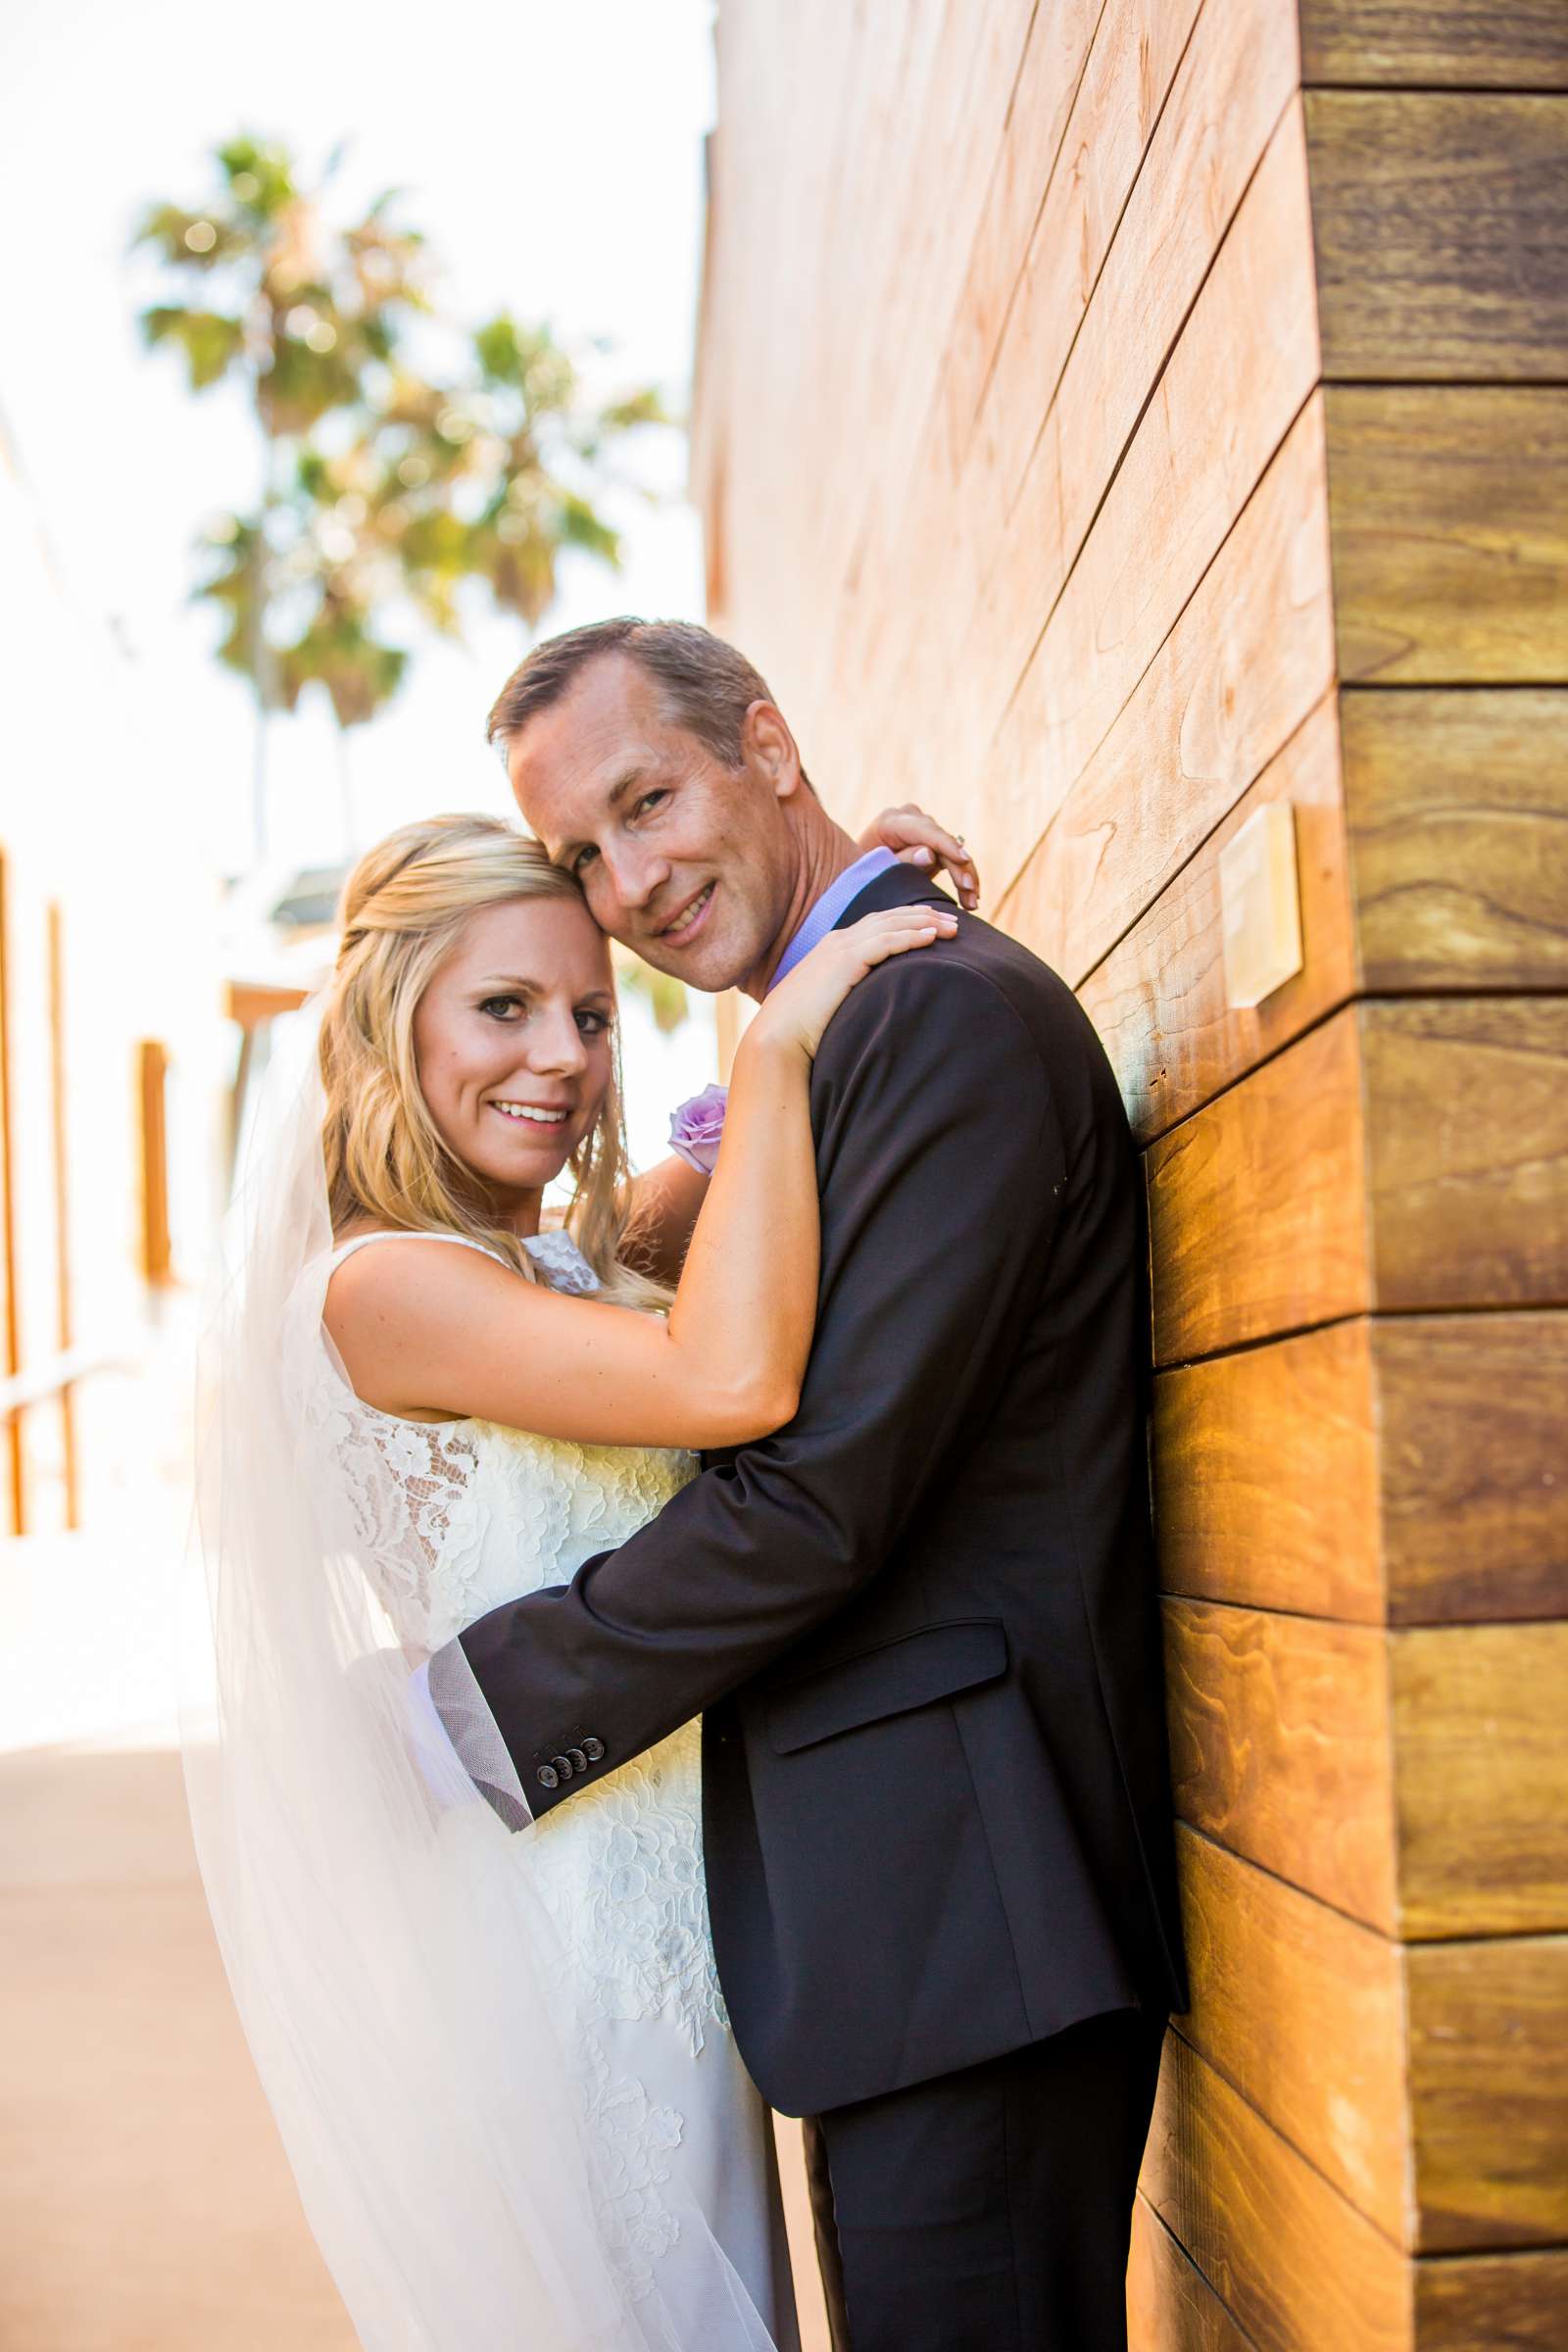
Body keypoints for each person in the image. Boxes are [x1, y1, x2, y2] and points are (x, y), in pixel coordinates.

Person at [422, 618, 1191, 2352]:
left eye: (651, 800)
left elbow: (819, 1497)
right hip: (911, 1927)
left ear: (767, 746)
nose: (630, 881)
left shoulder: (933, 1024)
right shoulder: (844, 1029)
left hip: (974, 1915)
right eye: (581, 855)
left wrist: (473, 1713)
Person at [188, 801, 966, 2352]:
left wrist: (830, 909)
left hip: (666, 1920)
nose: (562, 1055)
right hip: (557, 1943)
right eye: (503, 1007)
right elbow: (728, 1375)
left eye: (593, 1014)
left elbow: (707, 1211)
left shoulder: (544, 1266)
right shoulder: (386, 1287)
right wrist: (776, 1049)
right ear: (382, 1016)